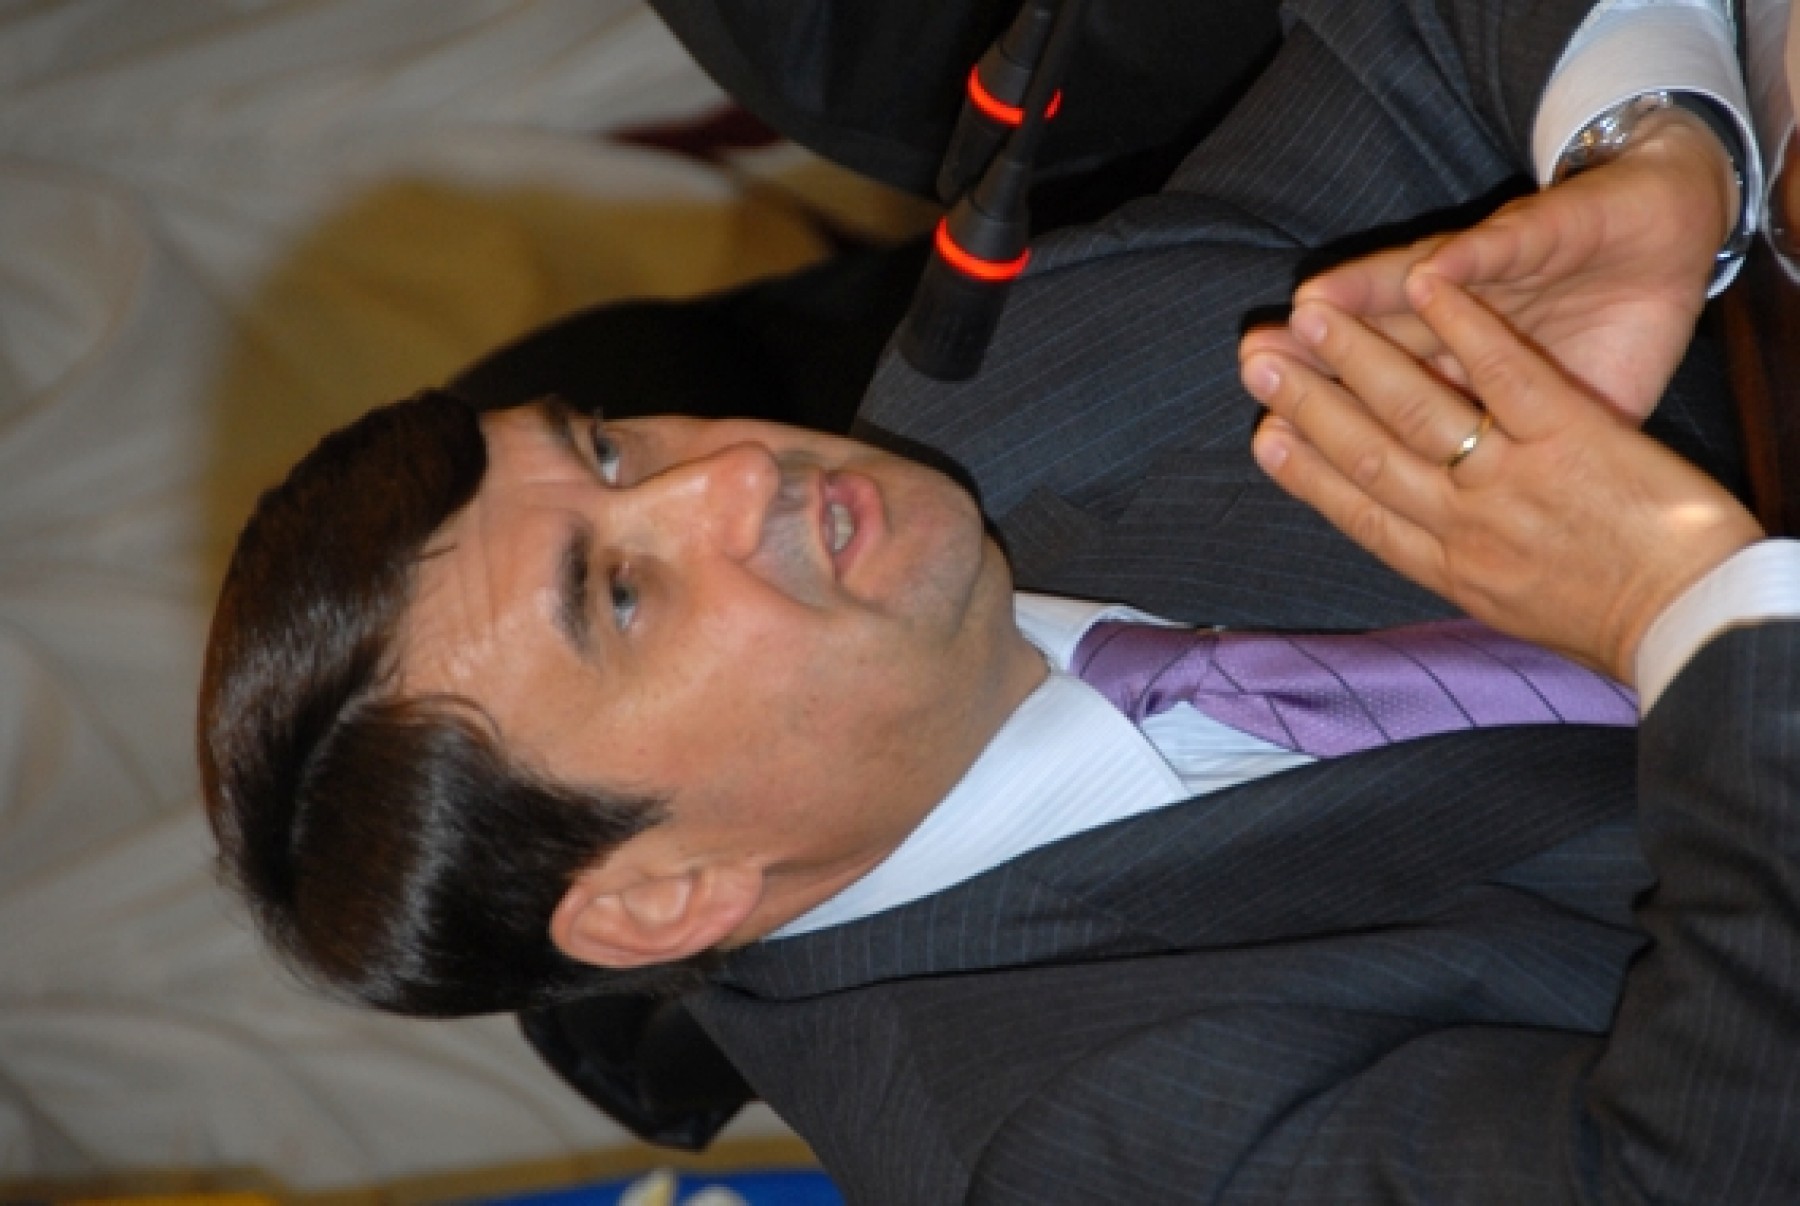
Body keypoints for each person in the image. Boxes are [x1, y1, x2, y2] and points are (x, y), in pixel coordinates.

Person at [198, 0, 1800, 1199]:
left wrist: (1654, 156)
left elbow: (1417, 34)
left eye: (611, 448)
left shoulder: (1000, 392)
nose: (730, 473)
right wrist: (1698, 616)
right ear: (660, 897)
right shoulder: (1046, 1142)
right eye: (620, 595)